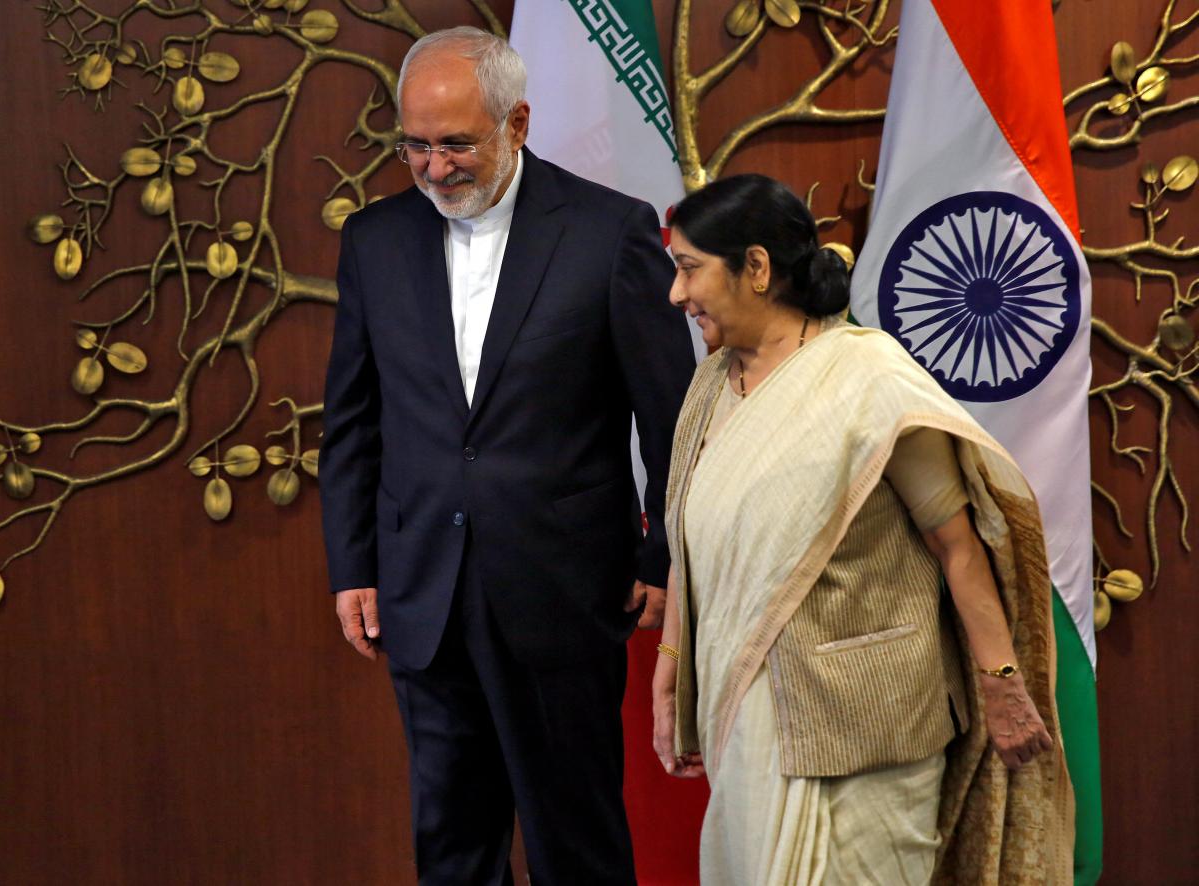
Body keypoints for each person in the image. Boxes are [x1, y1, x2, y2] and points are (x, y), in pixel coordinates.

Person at [318, 26, 696, 885]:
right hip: (421, 591)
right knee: (452, 846)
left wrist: (663, 557)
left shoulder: (610, 233)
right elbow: (353, 419)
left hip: (563, 591)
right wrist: (354, 565)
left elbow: (672, 416)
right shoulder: (374, 240)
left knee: (577, 844)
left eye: (456, 144)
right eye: (414, 144)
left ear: (517, 124)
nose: (434, 167)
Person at [650, 174, 1075, 885]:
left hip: (866, 726)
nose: (677, 295)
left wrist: (1001, 683)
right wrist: (672, 665)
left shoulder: (868, 378)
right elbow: (696, 539)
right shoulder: (713, 383)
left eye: (690, 269)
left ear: (755, 268)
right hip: (751, 721)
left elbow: (957, 544)